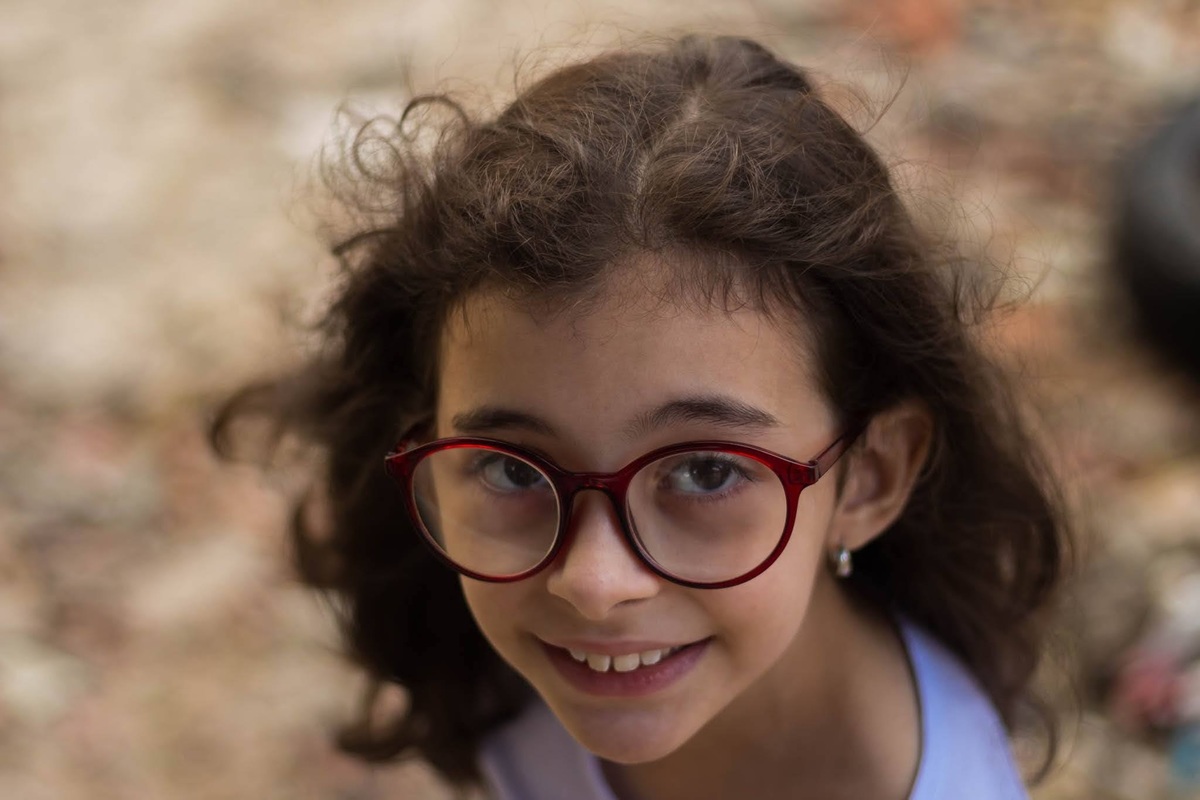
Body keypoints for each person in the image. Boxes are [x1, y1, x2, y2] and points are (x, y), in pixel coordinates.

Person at [213, 34, 1072, 799]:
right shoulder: (490, 661)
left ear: (870, 478)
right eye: (511, 468)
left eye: (705, 472)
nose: (594, 583)